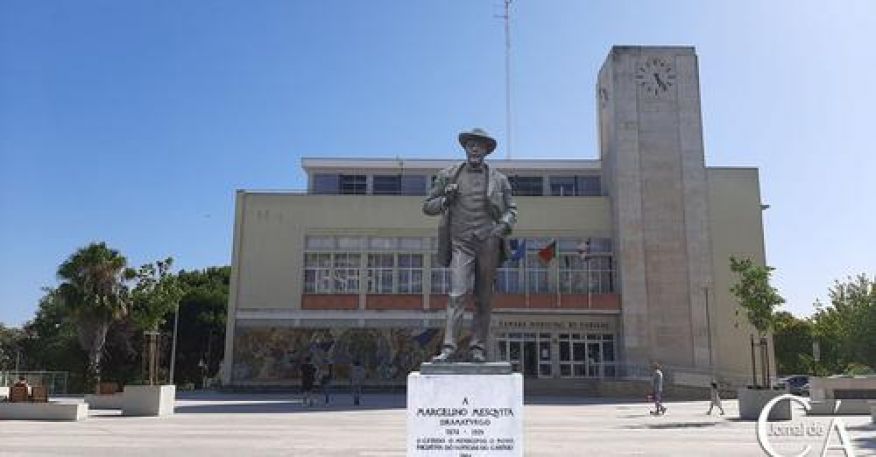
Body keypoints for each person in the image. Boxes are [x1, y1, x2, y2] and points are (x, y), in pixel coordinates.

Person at [425, 128, 518, 363]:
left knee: (484, 298)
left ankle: (478, 348)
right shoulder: (449, 175)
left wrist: (502, 227)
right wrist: (446, 197)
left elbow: (511, 210)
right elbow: (428, 206)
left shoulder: (500, 179)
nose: (474, 148)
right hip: (461, 243)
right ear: (465, 148)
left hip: (488, 241)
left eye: (479, 145)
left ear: (486, 150)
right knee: (457, 294)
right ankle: (448, 347)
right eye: (470, 145)